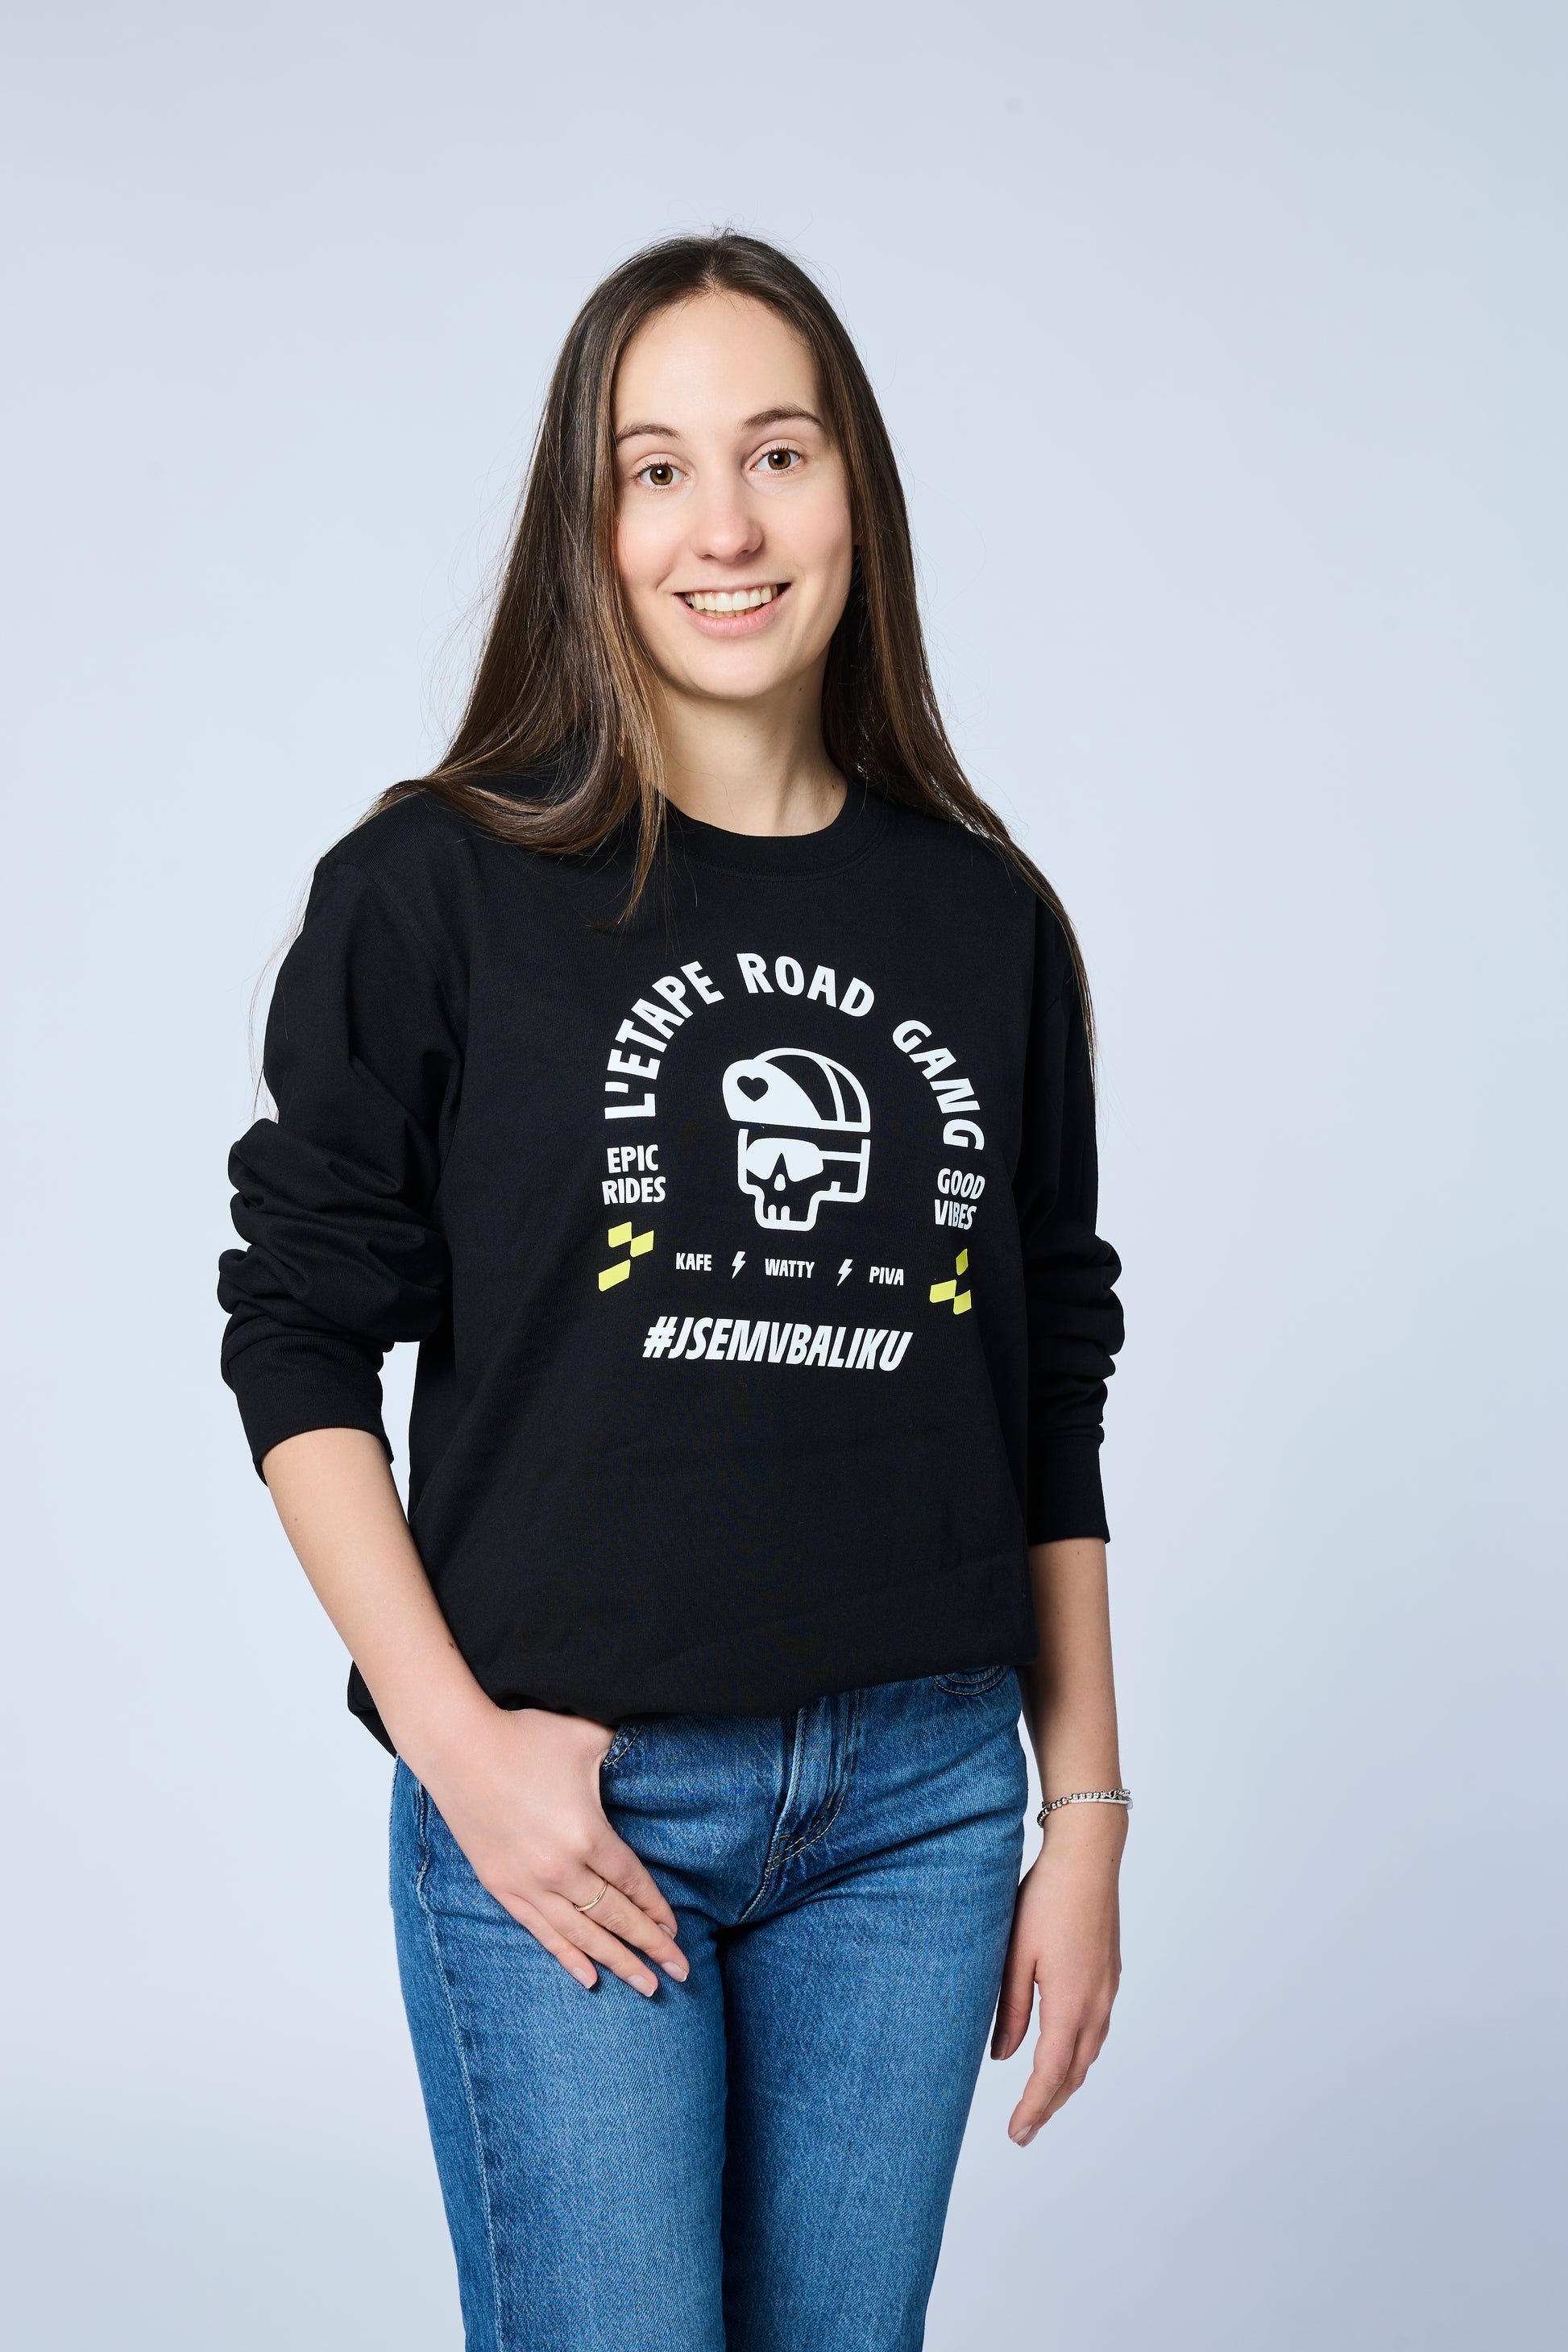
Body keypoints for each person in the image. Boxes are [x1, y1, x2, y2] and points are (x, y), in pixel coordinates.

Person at [218, 230, 1127, 2352]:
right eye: (655, 469)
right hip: (578, 1797)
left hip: (919, 1811)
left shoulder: (986, 921)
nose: (723, 526)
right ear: (590, 521)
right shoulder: (435, 891)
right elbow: (296, 1339)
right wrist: (452, 1746)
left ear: (853, 493)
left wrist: (1082, 1809)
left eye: (776, 455)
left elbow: (1050, 1378)